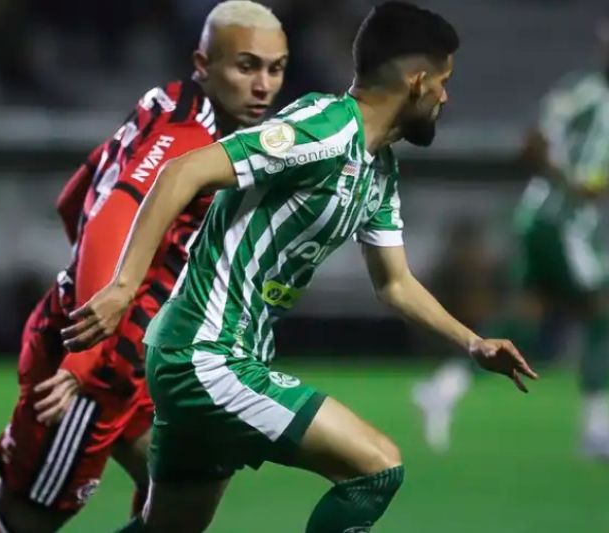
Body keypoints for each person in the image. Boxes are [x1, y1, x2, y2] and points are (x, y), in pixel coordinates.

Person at [0, 2, 289, 532]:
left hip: (137, 357)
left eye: (276, 68)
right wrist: (85, 354)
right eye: (246, 66)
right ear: (204, 63)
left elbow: (73, 196)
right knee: (16, 525)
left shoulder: (171, 103)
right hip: (94, 363)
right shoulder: (186, 140)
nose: (264, 85)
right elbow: (110, 217)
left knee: (180, 492)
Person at [61, 3, 538, 532]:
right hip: (206, 354)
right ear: (418, 81)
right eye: (444, 82)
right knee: (376, 468)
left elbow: (395, 284)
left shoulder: (377, 167)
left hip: (208, 354)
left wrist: (473, 343)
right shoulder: (325, 129)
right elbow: (183, 170)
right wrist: (124, 286)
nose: (446, 97)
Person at [414, 12, 609, 458]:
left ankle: (444, 388)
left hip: (562, 222)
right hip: (554, 220)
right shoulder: (584, 93)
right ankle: (597, 427)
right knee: (601, 309)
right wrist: (574, 183)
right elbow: (534, 142)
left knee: (523, 320)